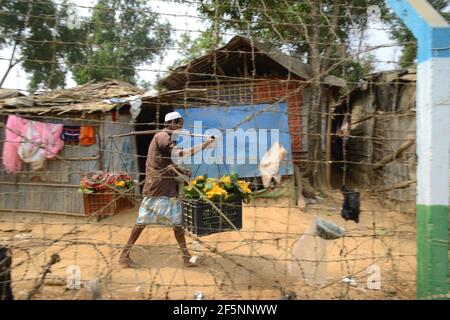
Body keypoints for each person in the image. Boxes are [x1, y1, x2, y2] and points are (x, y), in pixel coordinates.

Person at [119, 111, 215, 268]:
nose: (180, 126)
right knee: (142, 222)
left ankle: (186, 257)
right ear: (172, 123)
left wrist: (181, 170)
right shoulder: (163, 137)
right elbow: (181, 154)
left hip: (165, 187)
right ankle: (124, 255)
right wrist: (204, 145)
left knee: (176, 223)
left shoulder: (166, 137)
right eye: (179, 123)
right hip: (157, 188)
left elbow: (166, 162)